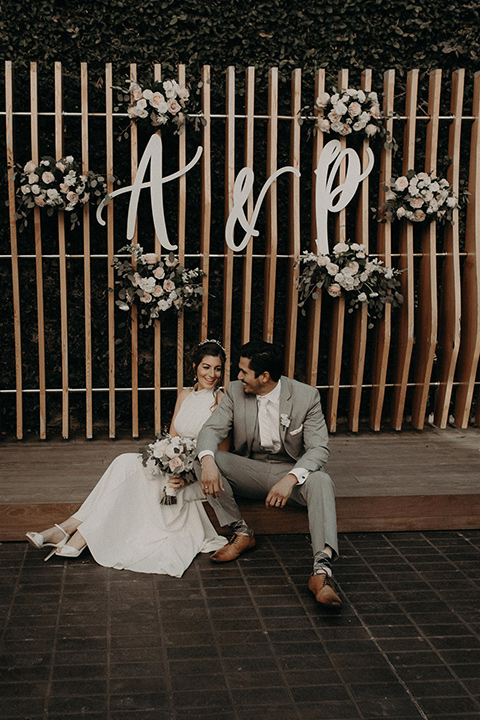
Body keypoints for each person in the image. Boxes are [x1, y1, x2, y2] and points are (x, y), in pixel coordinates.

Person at [25, 340, 229, 577]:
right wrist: (162, 458)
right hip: (173, 464)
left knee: (130, 477)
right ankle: (72, 531)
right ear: (195, 366)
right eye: (206, 367)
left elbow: (221, 453)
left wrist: (188, 477)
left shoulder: (221, 400)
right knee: (124, 462)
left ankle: (71, 531)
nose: (212, 374)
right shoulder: (184, 395)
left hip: (196, 475)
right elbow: (172, 437)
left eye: (217, 368)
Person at [197, 339, 342, 608]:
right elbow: (211, 430)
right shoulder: (234, 392)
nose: (237, 376)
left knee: (322, 479)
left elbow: (319, 448)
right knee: (205, 458)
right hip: (250, 470)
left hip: (290, 474)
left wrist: (290, 479)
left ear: (264, 376)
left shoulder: (306, 396)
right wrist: (207, 462)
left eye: (243, 372)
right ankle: (241, 533)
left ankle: (321, 572)